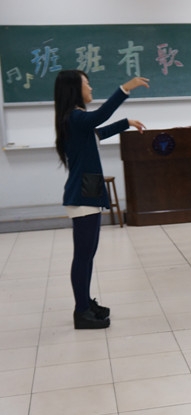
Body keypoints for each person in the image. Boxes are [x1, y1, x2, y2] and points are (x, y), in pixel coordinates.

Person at [54, 70, 148, 329]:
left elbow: (98, 132)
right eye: (87, 84)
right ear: (75, 89)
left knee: (88, 255)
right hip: (82, 195)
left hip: (88, 192)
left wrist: (126, 122)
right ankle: (81, 311)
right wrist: (125, 88)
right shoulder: (74, 117)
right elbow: (99, 117)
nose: (91, 88)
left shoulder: (75, 119)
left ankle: (85, 303)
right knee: (83, 256)